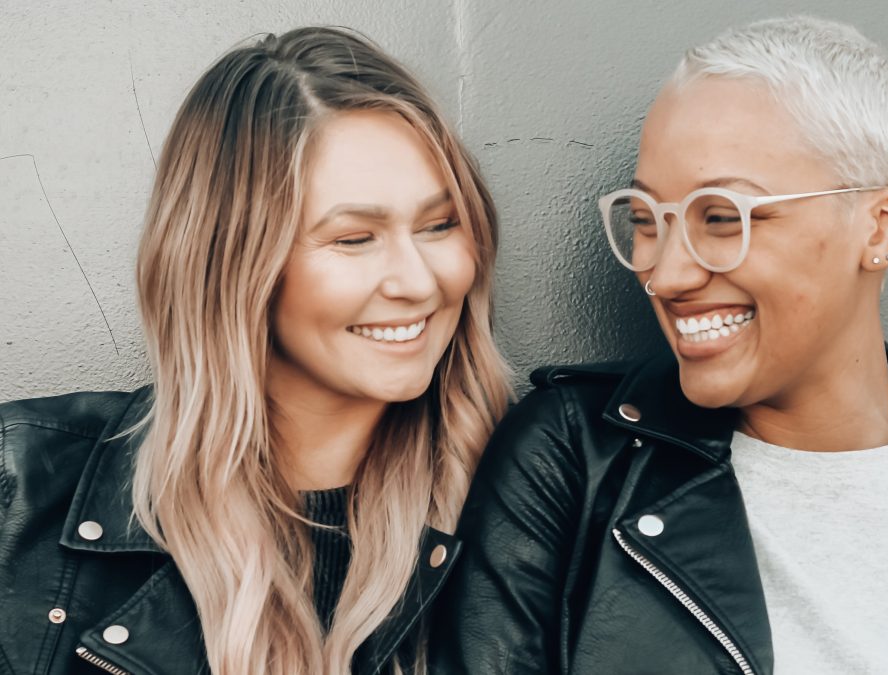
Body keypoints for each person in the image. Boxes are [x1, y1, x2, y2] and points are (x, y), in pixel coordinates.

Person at [430, 16, 888, 674]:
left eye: (722, 217)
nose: (665, 273)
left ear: (882, 225)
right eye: (647, 220)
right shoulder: (573, 458)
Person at [0, 27, 509, 675]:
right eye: (354, 238)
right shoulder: (21, 491)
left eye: (440, 225)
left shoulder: (537, 498)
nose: (417, 281)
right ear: (233, 264)